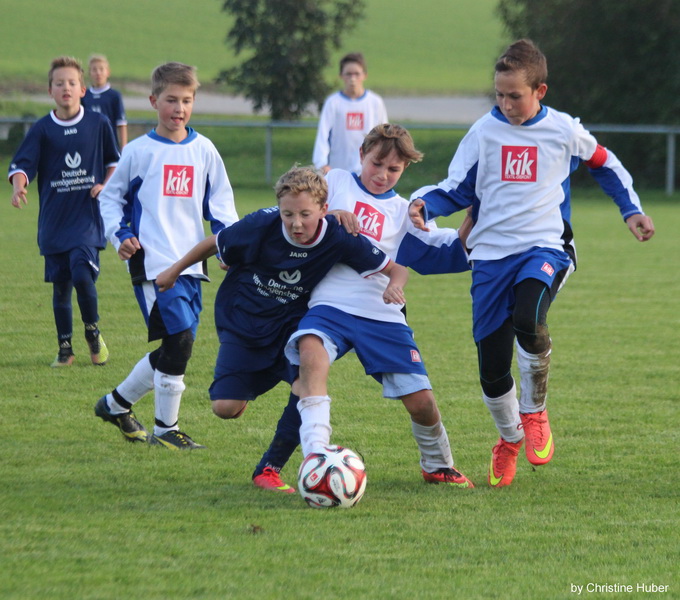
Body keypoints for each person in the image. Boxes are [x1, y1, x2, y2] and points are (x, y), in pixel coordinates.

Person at [409, 39, 655, 488]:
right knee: (492, 368)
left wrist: (631, 209)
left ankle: (535, 409)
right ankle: (508, 440)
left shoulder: (562, 129)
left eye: (515, 96)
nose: (505, 105)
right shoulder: (484, 132)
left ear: (540, 91)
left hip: (545, 248)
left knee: (529, 317)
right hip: (489, 256)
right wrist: (425, 204)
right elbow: (457, 188)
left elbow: (605, 163)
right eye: (499, 95)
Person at [155, 165, 407, 490]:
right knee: (225, 408)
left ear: (324, 209)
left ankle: (269, 469)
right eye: (288, 214)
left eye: (305, 214)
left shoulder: (338, 235)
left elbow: (395, 268)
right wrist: (173, 272)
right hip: (243, 319)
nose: (296, 223)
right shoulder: (260, 224)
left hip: (291, 323)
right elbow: (213, 243)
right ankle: (257, 381)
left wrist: (394, 286)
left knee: (305, 383)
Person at [255, 124, 475, 492]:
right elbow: (301, 209)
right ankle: (304, 461)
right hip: (330, 303)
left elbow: (445, 248)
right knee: (310, 361)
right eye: (376, 164)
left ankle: (438, 465)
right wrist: (333, 213)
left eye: (394, 169)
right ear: (362, 155)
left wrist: (474, 216)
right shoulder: (336, 180)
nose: (382, 174)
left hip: (381, 314)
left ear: (405, 169)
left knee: (422, 402)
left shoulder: (404, 211)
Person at [94, 62, 239, 450]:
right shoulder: (139, 152)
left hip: (192, 264)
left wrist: (230, 247)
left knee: (176, 346)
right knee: (179, 342)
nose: (179, 108)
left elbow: (222, 207)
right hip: (153, 264)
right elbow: (110, 199)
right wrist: (120, 235)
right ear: (153, 100)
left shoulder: (204, 150)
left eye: (187, 100)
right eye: (171, 100)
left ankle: (115, 404)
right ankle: (166, 430)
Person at [8, 56, 119, 368]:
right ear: (50, 91)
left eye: (72, 82)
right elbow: (21, 165)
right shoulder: (43, 129)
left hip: (86, 218)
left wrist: (105, 185)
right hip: (54, 222)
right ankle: (65, 349)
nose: (65, 88)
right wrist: (19, 186)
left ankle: (92, 332)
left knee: (82, 274)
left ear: (83, 89)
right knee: (61, 288)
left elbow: (114, 162)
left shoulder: (98, 124)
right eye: (59, 83)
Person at [312, 52, 388, 175]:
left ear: (364, 75)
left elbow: (383, 136)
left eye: (357, 74)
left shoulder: (375, 102)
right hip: (337, 169)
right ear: (341, 76)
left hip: (366, 171)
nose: (353, 78)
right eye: (348, 74)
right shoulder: (333, 102)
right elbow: (323, 134)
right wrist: (322, 164)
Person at [82, 54, 128, 150]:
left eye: (101, 69)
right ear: (89, 73)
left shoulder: (114, 96)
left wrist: (124, 148)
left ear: (108, 72)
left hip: (110, 145)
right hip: (90, 145)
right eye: (94, 70)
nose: (98, 73)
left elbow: (121, 123)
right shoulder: (84, 96)